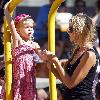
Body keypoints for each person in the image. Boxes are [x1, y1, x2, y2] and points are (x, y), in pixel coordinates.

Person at [41, 13, 99, 100]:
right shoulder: (78, 49)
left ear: (79, 31)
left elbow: (71, 83)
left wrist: (56, 62)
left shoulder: (89, 54)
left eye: (71, 29)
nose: (68, 32)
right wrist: (51, 66)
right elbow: (66, 80)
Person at [4, 0, 43, 100]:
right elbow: (11, 26)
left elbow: (41, 55)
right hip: (18, 74)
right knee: (18, 94)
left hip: (28, 75)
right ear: (19, 30)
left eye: (31, 27)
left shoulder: (34, 44)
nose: (30, 29)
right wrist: (6, 11)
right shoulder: (18, 40)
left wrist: (46, 55)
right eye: (26, 27)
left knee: (29, 94)